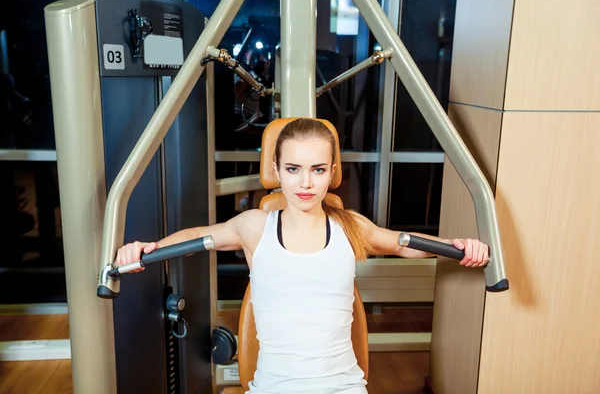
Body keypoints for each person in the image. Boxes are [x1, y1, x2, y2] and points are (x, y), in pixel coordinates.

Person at [115, 118, 489, 393]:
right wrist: (147, 250)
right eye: (293, 169)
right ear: (276, 170)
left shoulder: (350, 226)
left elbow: (402, 243)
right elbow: (198, 236)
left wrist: (459, 248)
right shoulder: (255, 226)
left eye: (318, 170)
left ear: (332, 173)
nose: (306, 183)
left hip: (344, 388)